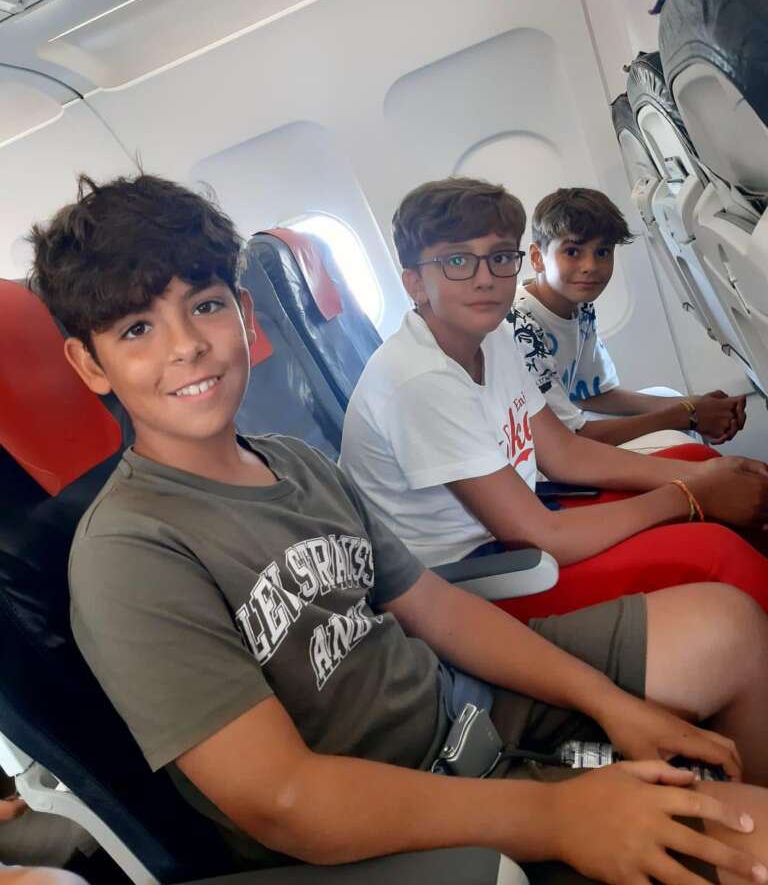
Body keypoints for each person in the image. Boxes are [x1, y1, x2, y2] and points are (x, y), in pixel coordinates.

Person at [30, 173, 768, 885]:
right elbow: (282, 800)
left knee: (728, 626)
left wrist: (610, 704)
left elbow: (437, 609)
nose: (185, 345)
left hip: (465, 707)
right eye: (137, 329)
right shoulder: (130, 552)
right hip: (406, 814)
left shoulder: (295, 464)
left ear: (246, 316)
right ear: (89, 365)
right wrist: (559, 815)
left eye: (206, 306)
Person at [339, 177, 768, 618]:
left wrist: (702, 476)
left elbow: (564, 453)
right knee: (715, 551)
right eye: (457, 261)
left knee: (696, 462)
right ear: (414, 283)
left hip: (519, 525)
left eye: (499, 257)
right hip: (470, 580)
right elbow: (541, 535)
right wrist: (690, 495)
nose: (485, 279)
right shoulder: (420, 380)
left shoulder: (493, 336)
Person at [510, 187, 746, 451]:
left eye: (602, 252)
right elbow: (568, 439)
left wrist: (695, 404)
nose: (590, 266)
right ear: (537, 258)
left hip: (565, 432)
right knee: (677, 441)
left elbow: (591, 394)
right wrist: (687, 415)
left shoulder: (580, 306)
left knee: (669, 397)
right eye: (573, 252)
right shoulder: (521, 325)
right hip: (530, 456)